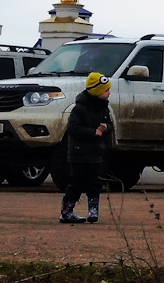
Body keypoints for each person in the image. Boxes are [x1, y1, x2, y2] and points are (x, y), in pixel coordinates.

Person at [58, 71, 113, 224]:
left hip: (96, 152)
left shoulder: (104, 108)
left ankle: (93, 210)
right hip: (78, 153)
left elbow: (109, 125)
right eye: (106, 90)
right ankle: (67, 211)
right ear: (96, 91)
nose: (109, 93)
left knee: (95, 182)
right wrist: (93, 132)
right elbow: (73, 128)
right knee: (77, 181)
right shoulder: (79, 109)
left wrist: (106, 128)